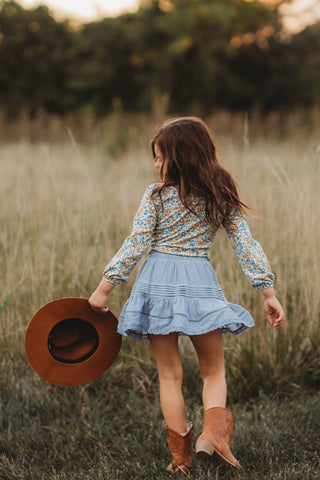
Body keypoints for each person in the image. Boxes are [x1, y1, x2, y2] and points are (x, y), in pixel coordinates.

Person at [89, 117, 285, 475]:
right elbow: (245, 245)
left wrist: (105, 288)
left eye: (160, 157)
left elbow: (136, 244)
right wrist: (267, 292)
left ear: (178, 158)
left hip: (157, 284)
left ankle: (180, 459)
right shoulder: (219, 194)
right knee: (213, 370)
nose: (156, 164)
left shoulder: (156, 195)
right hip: (199, 284)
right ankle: (212, 436)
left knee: (169, 375)